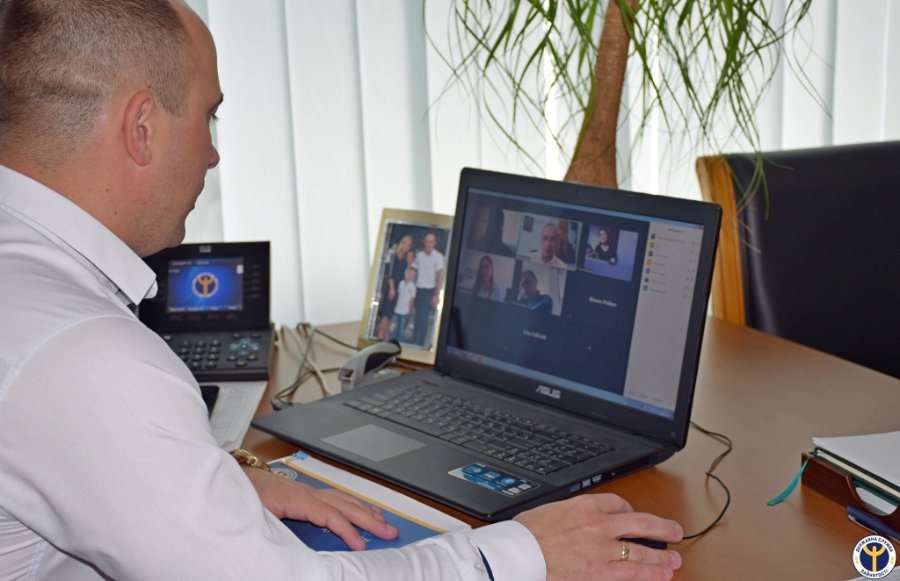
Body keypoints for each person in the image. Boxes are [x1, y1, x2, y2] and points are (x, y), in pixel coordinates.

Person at [0, 1, 684, 579]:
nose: (212, 153)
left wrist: (207, 490)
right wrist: (521, 554)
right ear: (142, 128)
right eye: (209, 117)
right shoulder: (85, 354)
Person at [410, 231, 445, 348]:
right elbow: (413, 271)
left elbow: (439, 276)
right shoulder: (419, 256)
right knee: (417, 316)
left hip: (429, 291)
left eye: (431, 242)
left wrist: (436, 295)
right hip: (418, 290)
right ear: (424, 242)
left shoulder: (438, 257)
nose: (429, 244)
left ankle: (420, 343)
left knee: (424, 318)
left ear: (434, 243)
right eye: (427, 242)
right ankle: (414, 340)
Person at [377, 234, 413, 340]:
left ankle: (385, 338)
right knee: (386, 317)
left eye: (409, 245)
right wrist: (392, 288)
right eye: (405, 243)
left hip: (399, 291)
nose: (407, 246)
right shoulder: (393, 255)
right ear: (401, 243)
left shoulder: (405, 259)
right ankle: (380, 338)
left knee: (390, 319)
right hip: (391, 289)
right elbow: (390, 273)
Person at [391, 267, 417, 342]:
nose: (411, 276)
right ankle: (393, 341)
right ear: (407, 273)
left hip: (405, 311)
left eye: (413, 275)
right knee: (395, 327)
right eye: (410, 274)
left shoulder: (412, 287)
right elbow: (399, 294)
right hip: (398, 309)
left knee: (402, 328)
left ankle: (400, 342)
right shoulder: (401, 283)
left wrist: (410, 310)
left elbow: (412, 300)